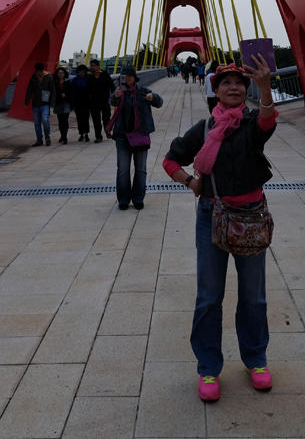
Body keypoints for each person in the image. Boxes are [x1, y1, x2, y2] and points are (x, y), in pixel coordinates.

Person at [163, 54, 278, 402]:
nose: (233, 87)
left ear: (245, 90)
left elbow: (268, 120)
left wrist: (265, 87)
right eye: (226, 83)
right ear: (215, 90)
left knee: (253, 296)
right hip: (211, 216)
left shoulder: (251, 124)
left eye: (239, 83)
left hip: (250, 218)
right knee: (209, 296)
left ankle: (256, 360)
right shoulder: (203, 130)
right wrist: (190, 182)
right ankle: (208, 367)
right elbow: (170, 160)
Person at [109, 66, 164, 210]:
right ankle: (123, 199)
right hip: (122, 136)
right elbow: (112, 101)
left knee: (140, 169)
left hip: (140, 135)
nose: (126, 78)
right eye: (123, 76)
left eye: (129, 75)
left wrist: (153, 97)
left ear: (134, 77)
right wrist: (116, 96)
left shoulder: (143, 91)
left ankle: (138, 198)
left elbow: (159, 102)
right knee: (123, 169)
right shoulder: (120, 92)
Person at [23, 62, 57, 146]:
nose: (39, 73)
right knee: (37, 123)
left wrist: (52, 104)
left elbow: (53, 91)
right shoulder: (33, 77)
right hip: (36, 104)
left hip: (45, 104)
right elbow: (29, 90)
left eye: (40, 71)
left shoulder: (49, 77)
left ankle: (47, 137)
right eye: (38, 71)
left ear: (43, 70)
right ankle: (39, 140)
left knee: (45, 120)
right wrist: (26, 101)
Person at [87, 59, 115, 142]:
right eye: (91, 66)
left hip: (105, 101)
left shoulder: (105, 75)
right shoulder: (90, 77)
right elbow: (87, 89)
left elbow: (112, 87)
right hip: (93, 102)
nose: (92, 67)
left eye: (93, 65)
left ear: (98, 66)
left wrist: (114, 98)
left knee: (106, 118)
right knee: (96, 120)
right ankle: (98, 136)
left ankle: (107, 131)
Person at [67, 64, 92, 141]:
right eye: (80, 72)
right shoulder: (74, 80)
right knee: (79, 119)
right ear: (77, 72)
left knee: (86, 119)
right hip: (77, 103)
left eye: (83, 72)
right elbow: (72, 92)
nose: (82, 73)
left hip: (86, 103)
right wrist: (72, 103)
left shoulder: (88, 80)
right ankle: (81, 134)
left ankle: (86, 134)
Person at [53, 66, 72, 145]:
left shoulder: (68, 82)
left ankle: (64, 137)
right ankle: (62, 135)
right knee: (60, 121)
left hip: (66, 103)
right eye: (59, 73)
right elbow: (53, 93)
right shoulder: (54, 83)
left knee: (65, 120)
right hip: (58, 103)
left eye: (62, 73)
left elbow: (71, 93)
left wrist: (66, 95)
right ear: (57, 74)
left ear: (65, 74)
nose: (60, 74)